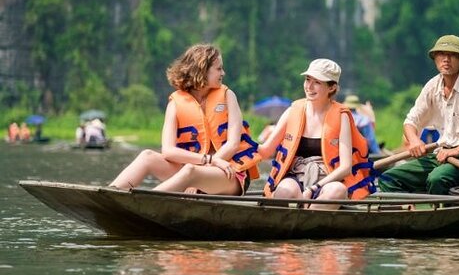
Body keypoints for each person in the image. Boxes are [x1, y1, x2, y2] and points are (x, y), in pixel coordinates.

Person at [109, 44, 261, 195]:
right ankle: (109, 195)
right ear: (202, 70)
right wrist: (208, 160)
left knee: (191, 171)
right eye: (218, 69)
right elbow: (168, 151)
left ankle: (141, 202)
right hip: (194, 171)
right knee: (147, 156)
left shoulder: (228, 96)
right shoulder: (175, 103)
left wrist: (200, 174)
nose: (223, 73)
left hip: (230, 174)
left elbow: (233, 144)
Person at [378, 34, 459, 195]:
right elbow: (410, 121)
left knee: (437, 179)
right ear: (435, 59)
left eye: (452, 55)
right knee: (388, 178)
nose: (446, 59)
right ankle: (407, 212)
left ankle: (439, 216)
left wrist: (458, 150)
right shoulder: (432, 86)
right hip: (442, 154)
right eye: (441, 54)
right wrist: (415, 141)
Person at [258, 59, 375, 210]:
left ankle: (310, 220)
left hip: (327, 179)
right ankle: (289, 222)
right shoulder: (293, 110)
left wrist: (313, 189)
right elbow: (266, 150)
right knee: (284, 190)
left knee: (338, 190)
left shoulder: (341, 116)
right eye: (307, 80)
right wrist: (237, 145)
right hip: (296, 174)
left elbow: (345, 167)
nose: (309, 87)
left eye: (317, 82)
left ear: (331, 87)